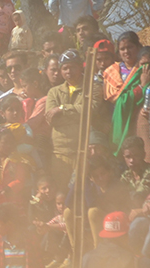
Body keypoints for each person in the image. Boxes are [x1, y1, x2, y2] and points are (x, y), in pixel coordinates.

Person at [46, 50, 103, 191]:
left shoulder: (92, 88)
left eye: (72, 67)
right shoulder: (54, 91)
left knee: (83, 193)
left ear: (80, 67)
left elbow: (91, 110)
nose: (68, 71)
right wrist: (77, 114)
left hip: (83, 151)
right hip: (60, 153)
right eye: (65, 68)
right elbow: (51, 119)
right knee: (61, 192)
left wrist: (62, 109)